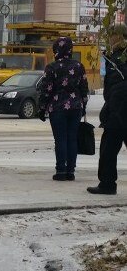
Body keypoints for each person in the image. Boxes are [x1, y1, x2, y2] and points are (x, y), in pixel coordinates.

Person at [37, 36, 89, 181]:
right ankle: (71, 171)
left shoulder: (51, 67)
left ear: (56, 49)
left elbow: (46, 89)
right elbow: (84, 88)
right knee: (72, 139)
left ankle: (61, 171)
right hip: (76, 107)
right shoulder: (79, 66)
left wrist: (42, 108)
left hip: (57, 107)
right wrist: (83, 105)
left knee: (60, 140)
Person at [88, 23, 127, 195]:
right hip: (117, 109)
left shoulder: (118, 58)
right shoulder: (114, 57)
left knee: (108, 150)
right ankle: (107, 183)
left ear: (118, 36)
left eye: (111, 35)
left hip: (118, 111)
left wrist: (111, 106)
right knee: (108, 149)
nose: (110, 38)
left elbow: (117, 86)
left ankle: (107, 184)